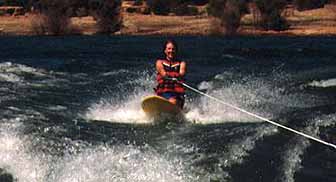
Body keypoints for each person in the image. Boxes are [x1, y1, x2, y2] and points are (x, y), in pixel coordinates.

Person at [155, 39, 186, 109]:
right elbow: (163, 73)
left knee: (173, 101)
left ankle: (176, 107)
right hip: (164, 92)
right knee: (171, 101)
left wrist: (177, 77)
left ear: (176, 51)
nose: (171, 51)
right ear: (165, 51)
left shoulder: (181, 63)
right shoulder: (159, 62)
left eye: (173, 49)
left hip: (177, 93)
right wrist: (169, 76)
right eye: (169, 49)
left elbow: (182, 73)